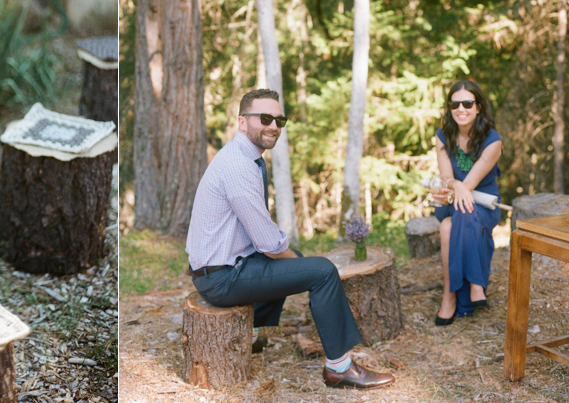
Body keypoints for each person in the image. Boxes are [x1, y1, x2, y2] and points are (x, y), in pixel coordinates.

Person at [185, 88, 395, 390]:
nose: (273, 126)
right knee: (322, 271)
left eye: (279, 120)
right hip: (221, 279)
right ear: (243, 122)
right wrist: (298, 260)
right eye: (265, 118)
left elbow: (265, 239)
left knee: (292, 256)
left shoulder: (242, 155)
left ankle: (253, 332)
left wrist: (290, 255)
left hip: (223, 268)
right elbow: (269, 244)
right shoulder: (237, 166)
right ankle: (340, 367)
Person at [428, 80, 502, 325]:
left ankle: (449, 294)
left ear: (478, 107)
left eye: (468, 103)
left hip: (484, 203)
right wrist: (452, 186)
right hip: (450, 200)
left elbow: (469, 184)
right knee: (459, 210)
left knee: (452, 223)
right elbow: (447, 178)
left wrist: (457, 185)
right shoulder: (443, 136)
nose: (461, 109)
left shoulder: (492, 140)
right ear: (449, 108)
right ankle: (476, 284)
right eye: (455, 104)